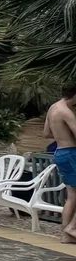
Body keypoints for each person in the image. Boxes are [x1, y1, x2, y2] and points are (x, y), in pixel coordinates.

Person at [46, 84, 76, 242]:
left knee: (72, 196)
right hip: (71, 152)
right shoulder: (66, 111)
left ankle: (66, 235)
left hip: (59, 152)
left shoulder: (52, 108)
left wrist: (61, 132)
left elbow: (46, 133)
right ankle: (71, 228)